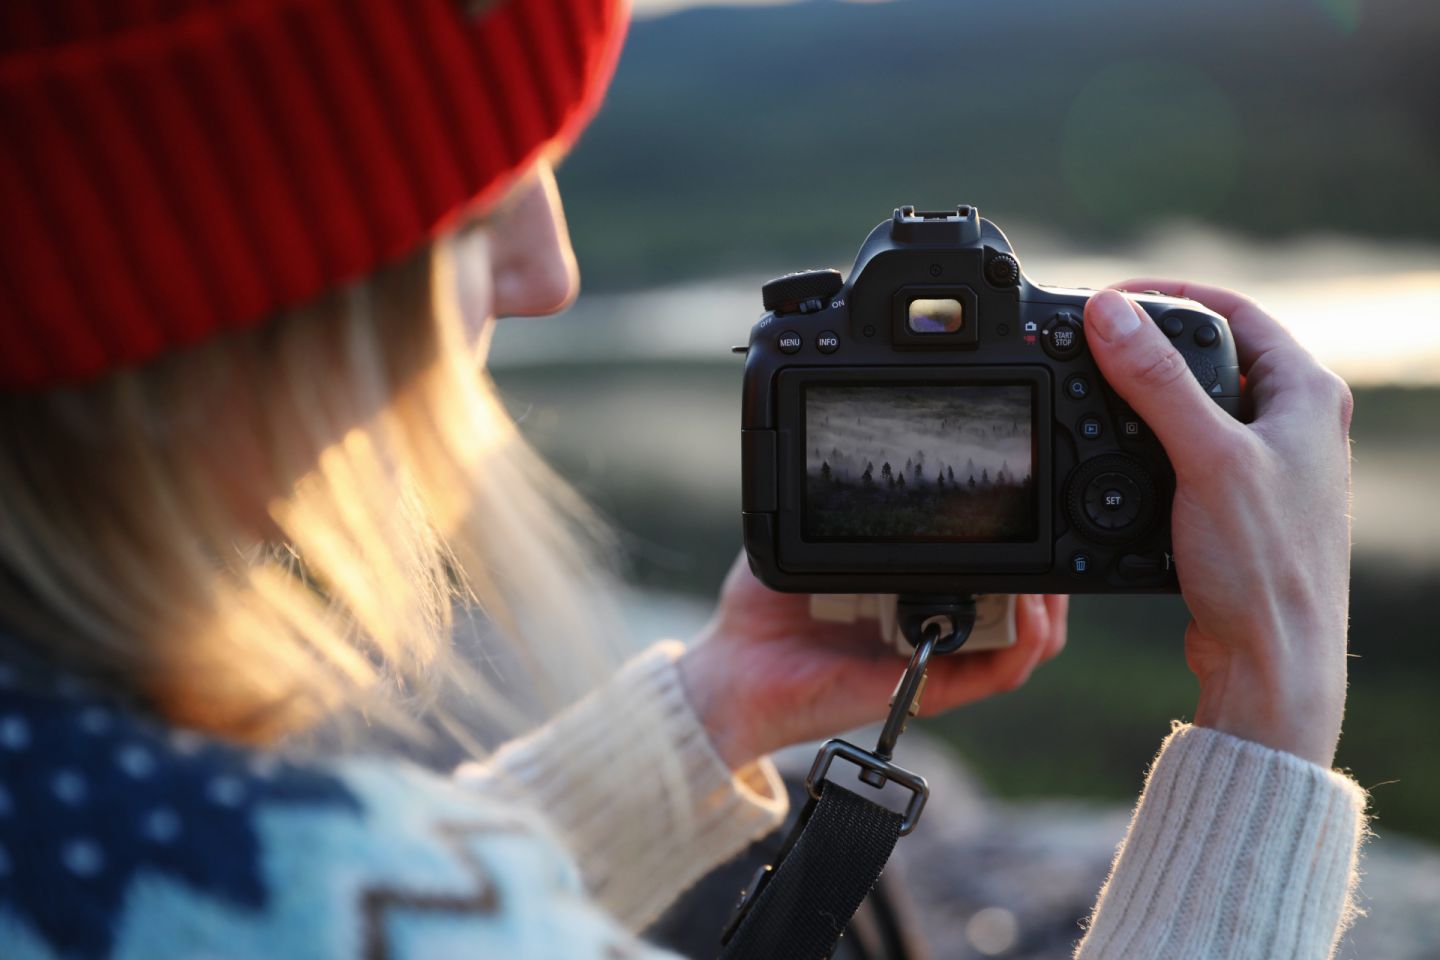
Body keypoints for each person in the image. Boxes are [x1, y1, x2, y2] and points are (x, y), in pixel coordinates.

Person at [0, 1, 1364, 958]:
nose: (548, 275)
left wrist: (717, 706)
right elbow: (315, 911)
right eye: (482, 194)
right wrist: (1267, 717)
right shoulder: (293, 893)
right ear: (197, 256)